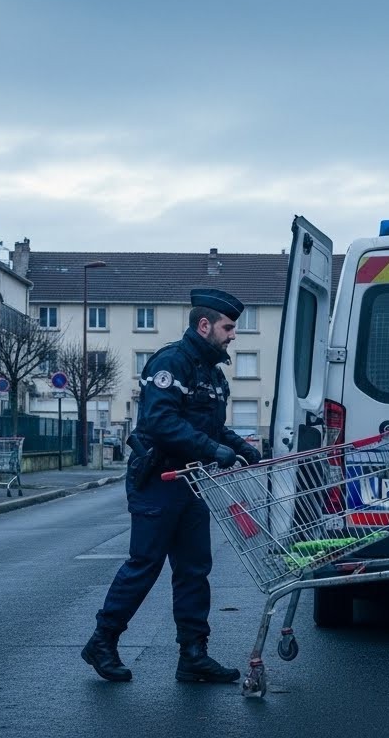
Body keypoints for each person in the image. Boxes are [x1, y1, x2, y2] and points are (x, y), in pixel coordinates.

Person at [81, 288, 263, 684]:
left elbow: (209, 426)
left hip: (192, 481)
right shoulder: (171, 363)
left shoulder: (212, 372)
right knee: (145, 564)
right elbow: (161, 422)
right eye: (228, 327)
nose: (234, 335)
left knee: (194, 569)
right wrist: (214, 449)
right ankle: (103, 641)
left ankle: (193, 655)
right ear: (204, 325)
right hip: (159, 480)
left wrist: (240, 448)